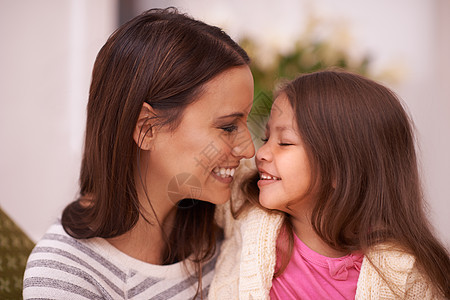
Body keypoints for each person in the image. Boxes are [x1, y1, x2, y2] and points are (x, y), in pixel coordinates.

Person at [23, 7, 255, 299]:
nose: (249, 149)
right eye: (228, 127)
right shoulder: (64, 275)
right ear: (147, 128)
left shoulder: (236, 231)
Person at [209, 70, 450, 299]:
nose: (260, 152)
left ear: (340, 170)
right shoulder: (244, 208)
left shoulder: (409, 277)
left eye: (284, 142)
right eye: (266, 138)